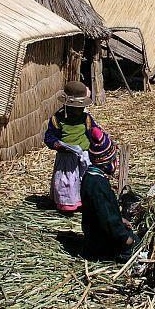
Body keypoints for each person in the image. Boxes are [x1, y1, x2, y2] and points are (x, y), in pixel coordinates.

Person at [80, 127, 139, 262]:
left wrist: (120, 219)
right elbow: (107, 219)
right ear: (106, 162)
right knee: (138, 243)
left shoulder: (90, 176)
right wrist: (125, 238)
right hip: (101, 244)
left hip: (94, 235)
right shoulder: (98, 185)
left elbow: (103, 210)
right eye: (113, 160)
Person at [44, 81, 99, 213]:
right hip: (66, 158)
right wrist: (56, 144)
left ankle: (83, 202)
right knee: (67, 182)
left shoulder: (86, 118)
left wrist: (100, 138)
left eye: (80, 107)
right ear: (66, 105)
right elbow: (49, 137)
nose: (77, 110)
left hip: (84, 156)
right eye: (74, 107)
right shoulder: (58, 119)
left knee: (85, 179)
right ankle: (67, 204)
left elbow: (94, 131)